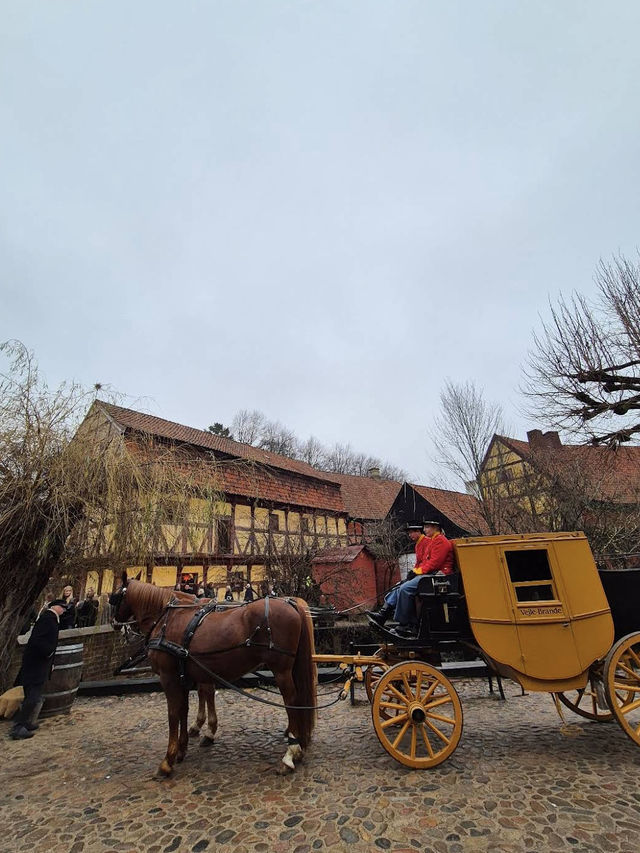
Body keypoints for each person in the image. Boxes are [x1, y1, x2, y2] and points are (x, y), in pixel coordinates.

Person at [367, 520, 454, 636]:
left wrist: (417, 571)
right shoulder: (434, 540)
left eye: (427, 527)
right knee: (400, 587)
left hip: (439, 575)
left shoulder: (440, 541)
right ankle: (383, 614)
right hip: (431, 573)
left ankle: (405, 624)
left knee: (405, 589)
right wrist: (414, 572)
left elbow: (434, 563)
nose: (424, 530)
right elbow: (425, 562)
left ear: (435, 527)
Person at [9, 599, 68, 740]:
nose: (64, 610)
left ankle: (25, 722)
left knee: (32, 694)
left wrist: (50, 662)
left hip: (39, 663)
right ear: (55, 607)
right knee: (33, 696)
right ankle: (18, 726)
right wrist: (48, 654)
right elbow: (38, 641)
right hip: (36, 664)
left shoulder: (51, 619)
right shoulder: (47, 619)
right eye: (62, 607)